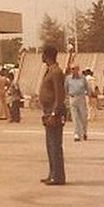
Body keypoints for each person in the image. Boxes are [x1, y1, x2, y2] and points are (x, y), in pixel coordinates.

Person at [39, 45, 66, 185]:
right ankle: (52, 173)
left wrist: (55, 113)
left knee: (55, 144)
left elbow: (59, 94)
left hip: (53, 111)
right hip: (47, 110)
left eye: (43, 54)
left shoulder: (56, 72)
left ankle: (58, 176)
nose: (41, 57)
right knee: (50, 144)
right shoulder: (49, 70)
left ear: (47, 55)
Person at [64, 63, 90, 141]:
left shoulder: (83, 78)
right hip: (72, 98)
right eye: (71, 69)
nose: (72, 71)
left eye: (74, 69)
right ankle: (76, 134)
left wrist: (89, 95)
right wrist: (66, 98)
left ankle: (84, 132)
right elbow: (66, 88)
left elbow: (87, 88)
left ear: (77, 69)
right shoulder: (68, 79)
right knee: (75, 117)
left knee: (83, 116)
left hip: (81, 97)